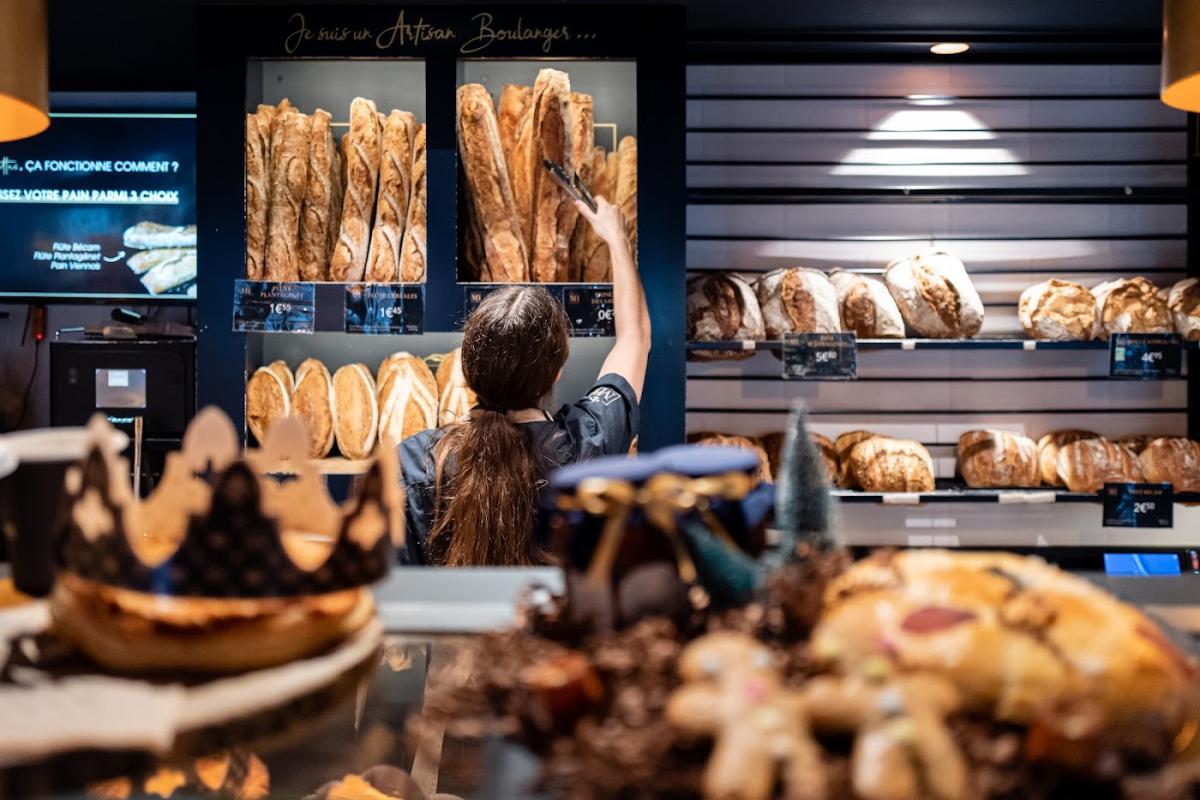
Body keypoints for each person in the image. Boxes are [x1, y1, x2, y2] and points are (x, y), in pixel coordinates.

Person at [398, 196, 650, 566]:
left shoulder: (414, 461)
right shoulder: (590, 442)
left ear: (467, 373)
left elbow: (396, 584)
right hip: (553, 623)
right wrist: (616, 238)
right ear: (557, 372)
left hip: (450, 626)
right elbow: (636, 338)